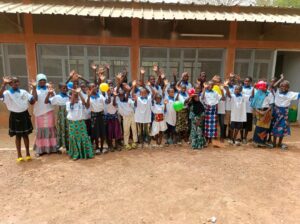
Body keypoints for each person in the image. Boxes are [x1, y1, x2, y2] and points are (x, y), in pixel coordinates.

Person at [0, 76, 35, 162]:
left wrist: (34, 88)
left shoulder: (24, 92)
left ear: (19, 83)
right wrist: (3, 84)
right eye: (13, 82)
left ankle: (27, 154)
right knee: (18, 136)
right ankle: (19, 155)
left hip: (24, 115)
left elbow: (32, 101)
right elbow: (0, 95)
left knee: (26, 135)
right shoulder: (7, 93)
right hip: (15, 116)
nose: (15, 83)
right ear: (10, 84)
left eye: (16, 82)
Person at [31, 74, 58, 156]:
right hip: (39, 113)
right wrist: (34, 88)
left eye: (44, 80)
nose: (42, 81)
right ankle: (40, 150)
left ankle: (53, 148)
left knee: (51, 130)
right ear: (37, 81)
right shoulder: (34, 89)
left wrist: (51, 91)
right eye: (40, 80)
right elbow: (34, 99)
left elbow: (54, 98)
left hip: (49, 112)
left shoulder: (49, 87)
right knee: (40, 131)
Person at [271, 80, 300, 149]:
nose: (283, 87)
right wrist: (280, 79)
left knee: (283, 127)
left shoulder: (290, 94)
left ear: (288, 87)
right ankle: (274, 142)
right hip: (276, 111)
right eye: (282, 86)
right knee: (275, 126)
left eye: (285, 86)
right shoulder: (277, 91)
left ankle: (280, 143)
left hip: (284, 112)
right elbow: (272, 86)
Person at [66, 88, 94, 160]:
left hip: (81, 123)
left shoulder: (80, 103)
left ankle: (85, 153)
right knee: (73, 138)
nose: (75, 98)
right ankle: (76, 153)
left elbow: (87, 105)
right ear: (70, 97)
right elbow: (72, 102)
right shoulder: (68, 103)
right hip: (73, 124)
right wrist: (73, 93)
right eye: (73, 96)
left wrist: (80, 94)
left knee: (84, 137)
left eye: (76, 96)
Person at [45, 83, 70, 151]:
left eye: (66, 88)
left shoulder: (69, 96)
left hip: (69, 115)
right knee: (62, 129)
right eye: (63, 88)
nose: (65, 89)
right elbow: (46, 101)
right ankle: (62, 145)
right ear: (60, 89)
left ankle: (68, 145)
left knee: (68, 129)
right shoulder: (57, 97)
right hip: (61, 115)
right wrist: (49, 93)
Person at [250, 81, 274, 147]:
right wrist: (258, 111)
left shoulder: (269, 94)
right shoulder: (258, 92)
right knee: (258, 127)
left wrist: (265, 112)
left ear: (266, 87)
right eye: (260, 88)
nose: (261, 89)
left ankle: (262, 142)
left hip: (267, 111)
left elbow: (271, 105)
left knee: (265, 127)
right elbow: (254, 103)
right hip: (258, 111)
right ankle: (256, 142)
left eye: (262, 87)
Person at [86, 83, 106, 154]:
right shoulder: (88, 97)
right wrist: (88, 97)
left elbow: (106, 101)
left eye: (95, 86)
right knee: (95, 132)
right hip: (94, 116)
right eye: (92, 87)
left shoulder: (100, 96)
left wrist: (108, 95)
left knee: (102, 132)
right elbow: (87, 106)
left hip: (101, 114)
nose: (94, 88)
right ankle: (97, 147)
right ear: (89, 89)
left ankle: (102, 147)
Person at [105, 86, 122, 151]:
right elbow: (108, 102)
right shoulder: (106, 97)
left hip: (115, 116)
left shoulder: (116, 97)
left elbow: (115, 104)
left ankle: (116, 145)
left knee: (116, 131)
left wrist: (114, 96)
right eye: (109, 89)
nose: (111, 90)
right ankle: (110, 145)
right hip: (109, 117)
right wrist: (109, 95)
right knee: (109, 131)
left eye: (112, 89)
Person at [242, 77, 254, 143]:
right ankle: (241, 137)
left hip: (249, 109)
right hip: (241, 109)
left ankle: (244, 137)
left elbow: (253, 96)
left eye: (248, 81)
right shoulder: (241, 88)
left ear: (250, 82)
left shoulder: (253, 89)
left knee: (247, 124)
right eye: (245, 81)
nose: (246, 82)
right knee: (241, 124)